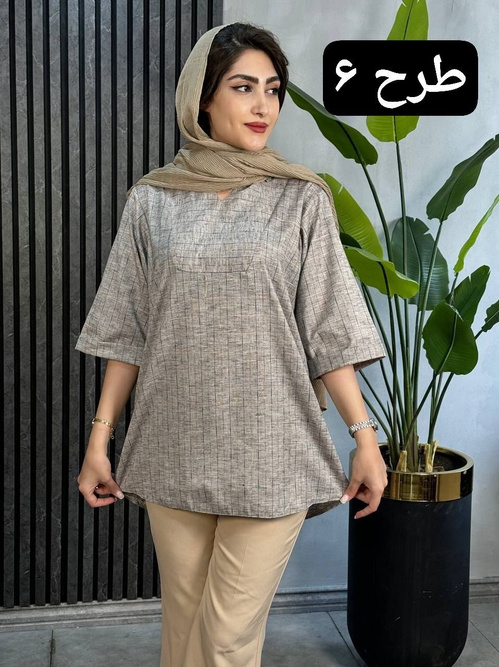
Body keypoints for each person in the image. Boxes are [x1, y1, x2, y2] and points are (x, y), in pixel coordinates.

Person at [75, 22, 388, 667]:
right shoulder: (152, 201)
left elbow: (329, 328)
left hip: (272, 449)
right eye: (243, 87)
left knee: (224, 642)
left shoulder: (301, 199)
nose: (262, 105)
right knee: (184, 631)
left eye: (273, 89)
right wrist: (99, 439)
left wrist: (365, 439)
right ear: (203, 98)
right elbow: (126, 329)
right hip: (173, 443)